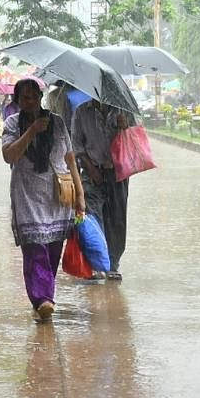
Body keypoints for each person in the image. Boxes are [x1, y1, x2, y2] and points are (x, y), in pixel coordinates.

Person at [1, 78, 85, 321]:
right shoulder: (12, 123)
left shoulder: (57, 122)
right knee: (35, 248)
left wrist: (80, 195)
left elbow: (70, 159)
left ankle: (44, 294)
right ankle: (43, 299)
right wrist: (31, 131)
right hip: (27, 195)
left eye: (33, 96)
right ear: (17, 100)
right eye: (23, 98)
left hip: (57, 197)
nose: (29, 101)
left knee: (51, 251)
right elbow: (8, 156)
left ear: (40, 96)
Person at [70, 97, 131, 280]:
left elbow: (135, 140)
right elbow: (77, 146)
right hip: (91, 173)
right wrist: (90, 168)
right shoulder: (81, 112)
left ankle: (112, 264)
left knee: (117, 219)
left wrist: (125, 127)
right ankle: (97, 264)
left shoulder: (123, 110)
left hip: (119, 173)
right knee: (94, 217)